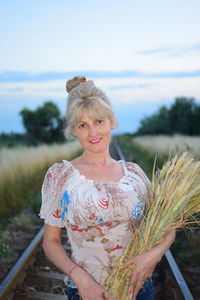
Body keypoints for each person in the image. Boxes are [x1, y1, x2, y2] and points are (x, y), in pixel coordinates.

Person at [39, 76, 175, 300]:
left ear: (111, 121)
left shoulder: (134, 174)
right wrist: (82, 280)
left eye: (99, 121)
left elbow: (169, 226)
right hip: (87, 293)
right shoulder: (61, 175)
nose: (93, 133)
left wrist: (153, 255)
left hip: (138, 290)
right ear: (74, 130)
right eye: (83, 125)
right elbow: (51, 243)